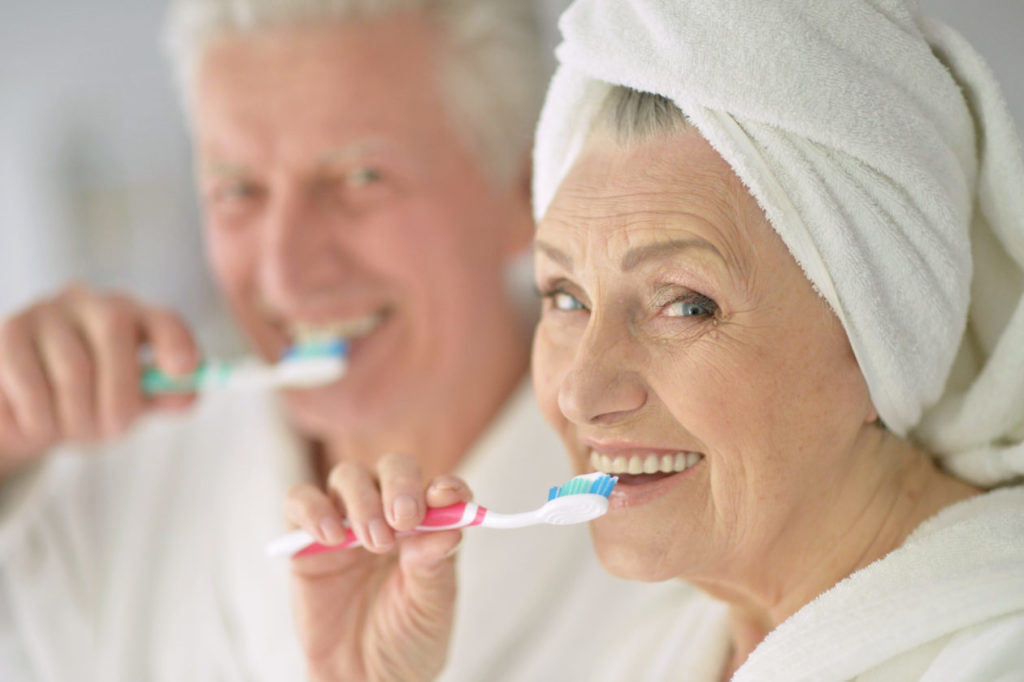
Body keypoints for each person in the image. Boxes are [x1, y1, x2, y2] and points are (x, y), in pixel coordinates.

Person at [284, 0, 1024, 679]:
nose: (580, 392)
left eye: (685, 306)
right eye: (565, 297)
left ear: (878, 334)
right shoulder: (655, 651)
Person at [0, 1, 687, 680]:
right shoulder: (104, 496)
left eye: (361, 178)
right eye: (238, 190)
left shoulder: (677, 545)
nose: (285, 273)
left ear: (525, 193)